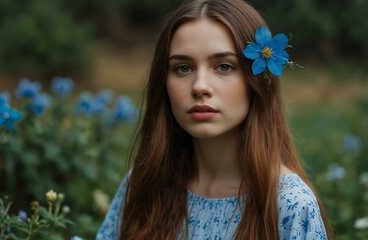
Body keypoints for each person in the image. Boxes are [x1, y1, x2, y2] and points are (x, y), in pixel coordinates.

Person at [96, 0, 332, 239]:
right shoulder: (144, 184)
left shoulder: (289, 204)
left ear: (257, 82)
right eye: (183, 68)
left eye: (224, 66)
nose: (200, 86)